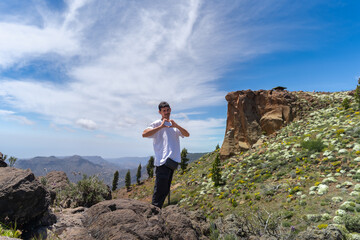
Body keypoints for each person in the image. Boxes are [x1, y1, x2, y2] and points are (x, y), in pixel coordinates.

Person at [142, 101, 190, 208]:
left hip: (172, 163)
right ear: (160, 112)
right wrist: (161, 126)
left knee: (165, 190)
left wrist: (176, 125)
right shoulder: (156, 124)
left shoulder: (173, 126)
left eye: (168, 110)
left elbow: (187, 134)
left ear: (170, 110)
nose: (166, 112)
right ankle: (154, 212)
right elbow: (144, 134)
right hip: (162, 162)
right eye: (164, 111)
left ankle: (157, 211)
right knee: (159, 190)